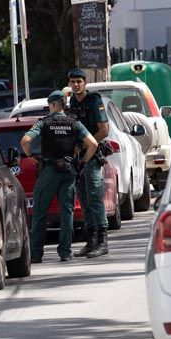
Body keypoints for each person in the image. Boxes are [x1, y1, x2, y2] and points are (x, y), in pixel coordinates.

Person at [20, 91, 99, 263]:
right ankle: (65, 252)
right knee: (67, 212)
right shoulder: (74, 123)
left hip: (49, 170)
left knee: (40, 212)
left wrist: (30, 155)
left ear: (54, 104)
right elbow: (93, 143)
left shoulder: (44, 123)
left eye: (50, 105)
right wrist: (83, 161)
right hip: (69, 170)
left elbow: (25, 140)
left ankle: (36, 254)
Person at [64, 68, 111, 258]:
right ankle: (91, 241)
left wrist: (84, 144)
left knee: (94, 198)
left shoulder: (94, 101)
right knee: (83, 199)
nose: (76, 85)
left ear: (85, 83)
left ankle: (102, 241)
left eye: (79, 81)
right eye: (73, 81)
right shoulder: (73, 101)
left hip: (92, 156)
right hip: (77, 158)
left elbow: (104, 130)